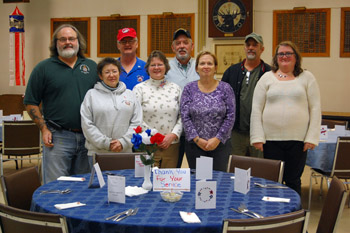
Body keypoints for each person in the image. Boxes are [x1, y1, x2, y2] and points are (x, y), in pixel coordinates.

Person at [23, 24, 98, 184]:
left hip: (88, 138)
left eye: (71, 38)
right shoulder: (43, 68)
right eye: (62, 39)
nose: (67, 42)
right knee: (56, 187)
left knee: (86, 186)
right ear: (55, 43)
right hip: (58, 138)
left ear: (79, 42)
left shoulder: (91, 67)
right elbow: (30, 102)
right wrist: (43, 128)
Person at [250, 41, 321, 195]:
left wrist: (312, 137)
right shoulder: (266, 78)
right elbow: (256, 108)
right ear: (276, 58)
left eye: (288, 53)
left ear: (296, 57)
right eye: (281, 54)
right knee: (272, 180)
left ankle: (292, 215)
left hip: (298, 141)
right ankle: (273, 214)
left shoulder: (307, 77)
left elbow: (315, 108)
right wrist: (257, 136)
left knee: (293, 180)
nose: (284, 56)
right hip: (271, 140)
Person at [180, 51, 235, 171]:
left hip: (220, 145)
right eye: (202, 63)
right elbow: (185, 116)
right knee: (200, 182)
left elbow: (230, 116)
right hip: (195, 146)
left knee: (219, 181)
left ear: (215, 68)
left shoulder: (225, 88)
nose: (206, 66)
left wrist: (217, 139)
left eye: (209, 63)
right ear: (197, 68)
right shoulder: (189, 88)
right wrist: (197, 139)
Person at [80, 57, 142, 161]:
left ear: (119, 73)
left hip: (124, 152)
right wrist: (106, 143)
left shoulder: (130, 95)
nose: (111, 75)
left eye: (114, 71)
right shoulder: (91, 95)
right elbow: (87, 124)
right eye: (107, 72)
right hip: (97, 154)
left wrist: (123, 142)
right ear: (100, 75)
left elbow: (137, 123)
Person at [222, 32, 271, 158]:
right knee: (237, 170)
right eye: (248, 45)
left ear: (262, 49)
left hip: (261, 132)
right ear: (244, 48)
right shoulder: (232, 71)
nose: (251, 48)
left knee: (259, 169)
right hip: (236, 133)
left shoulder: (270, 73)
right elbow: (221, 99)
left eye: (255, 45)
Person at [133, 50, 182, 168]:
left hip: (171, 145)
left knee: (168, 183)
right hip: (147, 145)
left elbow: (183, 116)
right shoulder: (139, 89)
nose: (156, 68)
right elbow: (135, 116)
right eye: (153, 65)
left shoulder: (176, 88)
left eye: (160, 64)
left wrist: (173, 135)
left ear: (166, 67)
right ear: (147, 68)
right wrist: (155, 137)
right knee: (144, 182)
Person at [166, 28, 199, 168]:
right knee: (171, 172)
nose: (181, 46)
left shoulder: (201, 65)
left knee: (199, 173)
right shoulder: (165, 67)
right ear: (173, 47)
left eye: (185, 42)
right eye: (178, 43)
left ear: (192, 46)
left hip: (198, 131)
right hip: (173, 131)